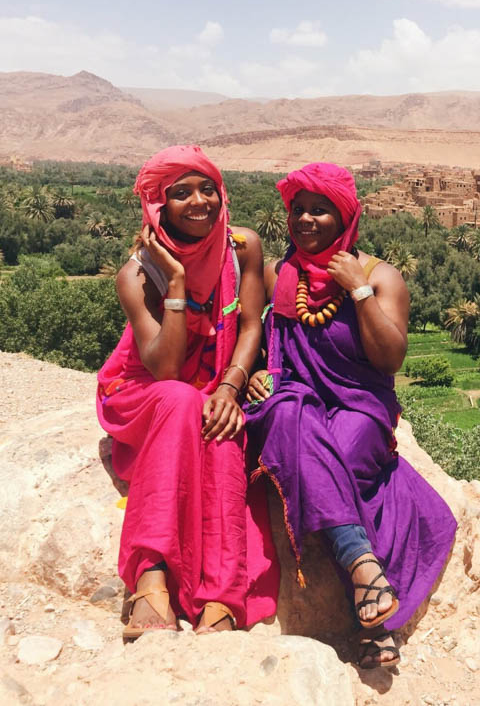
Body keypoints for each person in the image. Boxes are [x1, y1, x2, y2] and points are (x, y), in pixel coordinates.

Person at [245, 162, 456, 668]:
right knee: (289, 418)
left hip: (360, 404)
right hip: (293, 396)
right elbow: (253, 331)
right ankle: (370, 590)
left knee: (336, 457)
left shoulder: (382, 276)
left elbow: (390, 359)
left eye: (321, 211)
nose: (307, 220)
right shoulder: (280, 274)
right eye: (299, 210)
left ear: (346, 218)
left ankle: (373, 609)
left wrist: (358, 290)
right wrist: (254, 370)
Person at [97, 145, 278, 640]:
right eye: (181, 194)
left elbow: (249, 326)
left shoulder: (243, 247)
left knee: (224, 430)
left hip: (212, 385)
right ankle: (151, 578)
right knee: (182, 400)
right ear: (158, 207)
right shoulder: (139, 274)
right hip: (145, 392)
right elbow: (166, 368)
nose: (200, 202)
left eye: (208, 189)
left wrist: (230, 387)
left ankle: (221, 594)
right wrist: (176, 280)